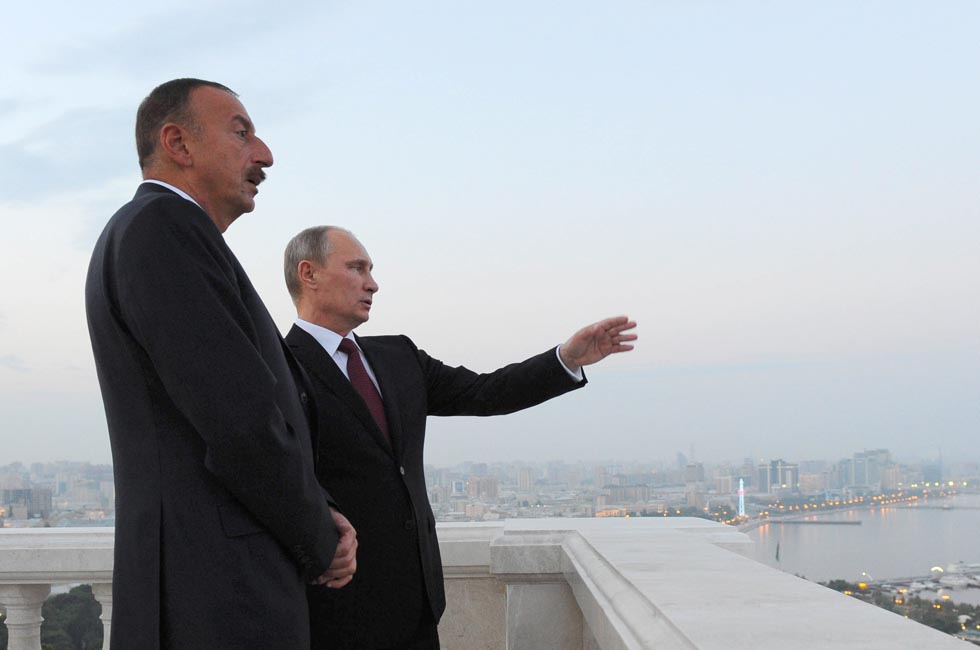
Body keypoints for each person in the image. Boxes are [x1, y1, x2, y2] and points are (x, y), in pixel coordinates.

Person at [85, 79, 356, 650]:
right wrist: (319, 537)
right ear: (178, 143)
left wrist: (322, 509)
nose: (265, 154)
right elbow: (239, 421)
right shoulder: (163, 228)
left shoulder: (160, 232)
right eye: (241, 133)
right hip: (214, 600)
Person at [282, 225, 637, 649]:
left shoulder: (398, 356)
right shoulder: (278, 368)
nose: (372, 283)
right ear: (309, 274)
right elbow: (276, 470)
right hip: (334, 612)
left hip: (418, 608)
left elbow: (486, 392)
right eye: (357, 268)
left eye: (371, 270)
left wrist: (566, 359)